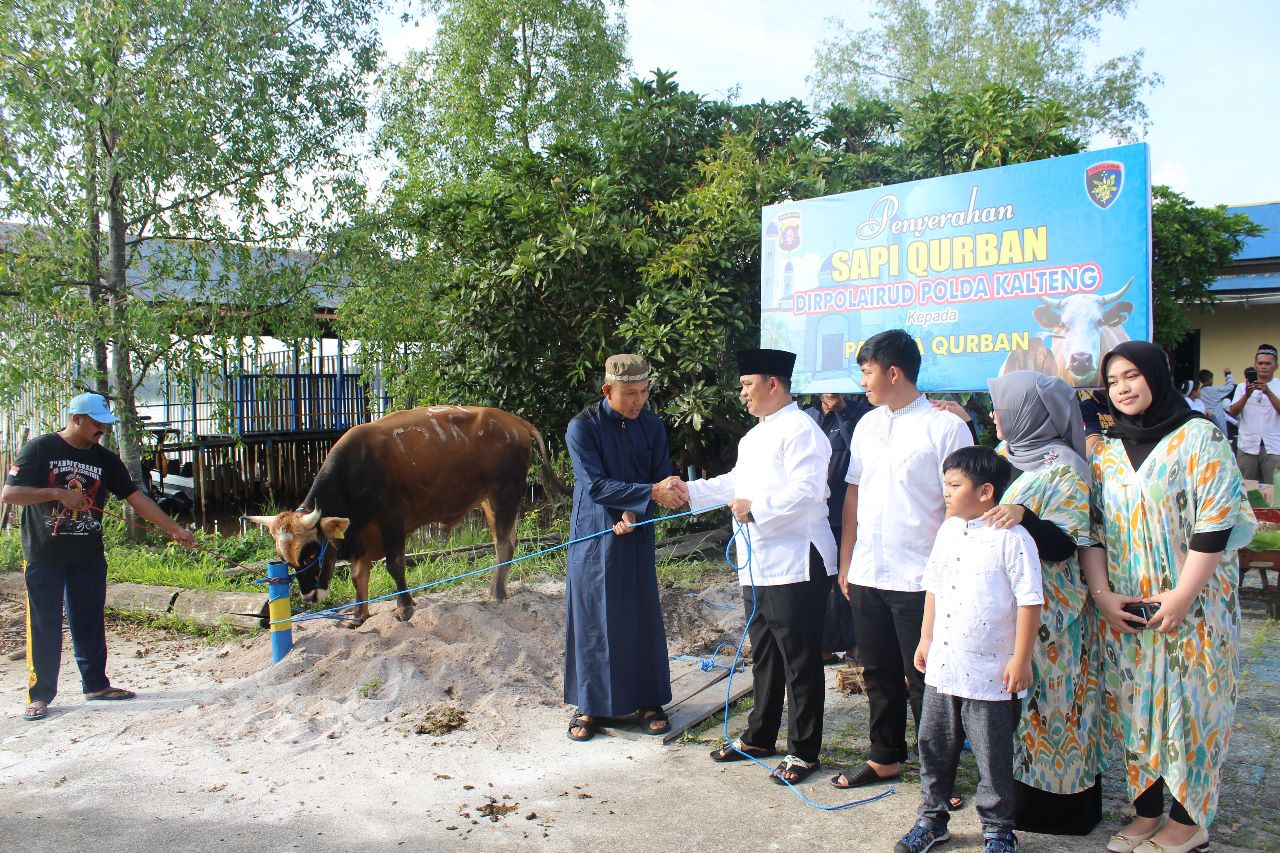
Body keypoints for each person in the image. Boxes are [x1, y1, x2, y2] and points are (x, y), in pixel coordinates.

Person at [1083, 341, 1255, 853]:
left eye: (1132, 375)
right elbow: (1092, 530)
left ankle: (1189, 819)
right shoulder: (1106, 453)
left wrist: (1181, 596)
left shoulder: (1200, 437)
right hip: (1128, 608)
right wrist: (1103, 596)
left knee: (1193, 707)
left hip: (1195, 608)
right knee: (1135, 706)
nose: (1122, 388)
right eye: (1113, 381)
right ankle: (1147, 811)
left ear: (1157, 376)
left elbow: (1215, 522)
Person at [675, 349, 837, 786]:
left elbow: (808, 491)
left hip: (796, 560)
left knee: (799, 659)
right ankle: (760, 736)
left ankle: (804, 750)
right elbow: (736, 484)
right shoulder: (754, 437)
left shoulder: (802, 431)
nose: (743, 393)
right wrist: (688, 491)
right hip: (758, 561)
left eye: (748, 385)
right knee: (763, 652)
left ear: (773, 384)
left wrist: (757, 508)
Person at [832, 329, 973, 791]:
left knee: (925, 678)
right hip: (869, 570)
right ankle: (884, 757)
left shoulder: (945, 426)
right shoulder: (867, 425)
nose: (863, 383)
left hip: (921, 575)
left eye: (867, 372)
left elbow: (960, 504)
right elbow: (854, 494)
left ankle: (938, 775)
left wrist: (949, 570)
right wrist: (847, 560)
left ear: (893, 372)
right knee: (878, 673)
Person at [2, 393, 196, 722]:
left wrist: (174, 528)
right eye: (95, 423)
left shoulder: (105, 459)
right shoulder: (40, 449)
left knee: (89, 620)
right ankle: (40, 695)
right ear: (76, 418)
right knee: (45, 623)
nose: (101, 429)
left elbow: (136, 498)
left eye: (104, 424)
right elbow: (10, 494)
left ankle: (95, 685)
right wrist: (57, 493)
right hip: (44, 554)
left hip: (88, 554)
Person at [895, 446, 1042, 853]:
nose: (945, 492)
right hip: (945, 666)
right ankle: (931, 819)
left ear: (985, 491)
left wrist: (1021, 658)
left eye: (955, 484)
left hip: (991, 672)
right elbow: (934, 586)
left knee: (993, 756)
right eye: (945, 483)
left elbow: (1030, 601)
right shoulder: (948, 531)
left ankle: (998, 830)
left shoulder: (1013, 539)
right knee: (934, 746)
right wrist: (926, 638)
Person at [986, 372, 1105, 835]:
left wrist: (1025, 517)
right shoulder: (1005, 455)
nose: (994, 416)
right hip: (1011, 608)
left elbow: (1066, 542)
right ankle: (1012, 802)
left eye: (1001, 408)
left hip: (1057, 615)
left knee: (1057, 709)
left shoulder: (1065, 468)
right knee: (1018, 710)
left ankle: (1061, 811)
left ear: (1028, 414)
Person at [562, 354, 683, 742]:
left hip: (637, 527)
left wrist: (636, 509)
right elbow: (595, 485)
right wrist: (645, 496)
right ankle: (590, 706)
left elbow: (659, 476)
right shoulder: (582, 428)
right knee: (594, 615)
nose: (638, 401)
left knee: (639, 612)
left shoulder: (652, 425)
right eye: (630, 393)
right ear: (607, 390)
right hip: (594, 531)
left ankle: (648, 701)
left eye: (644, 392)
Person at [803, 392, 871, 665]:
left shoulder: (862, 414)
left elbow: (861, 452)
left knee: (850, 581)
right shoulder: (807, 416)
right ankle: (824, 645)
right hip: (818, 514)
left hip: (849, 510)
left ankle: (856, 644)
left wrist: (842, 412)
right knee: (819, 584)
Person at [1227, 344, 1280, 483]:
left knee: (1273, 490)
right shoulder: (1241, 387)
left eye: (1268, 363)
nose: (1263, 367)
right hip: (1247, 445)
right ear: (1255, 365)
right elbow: (1232, 413)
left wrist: (1268, 392)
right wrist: (1246, 395)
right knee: (1247, 489)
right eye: (1260, 363)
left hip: (1274, 447)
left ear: (1276, 366)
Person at [1196, 368, 1236, 434]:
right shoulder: (1215, 390)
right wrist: (1228, 374)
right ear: (1210, 379)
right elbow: (1229, 387)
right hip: (1218, 423)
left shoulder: (1199, 393)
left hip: (1205, 423)